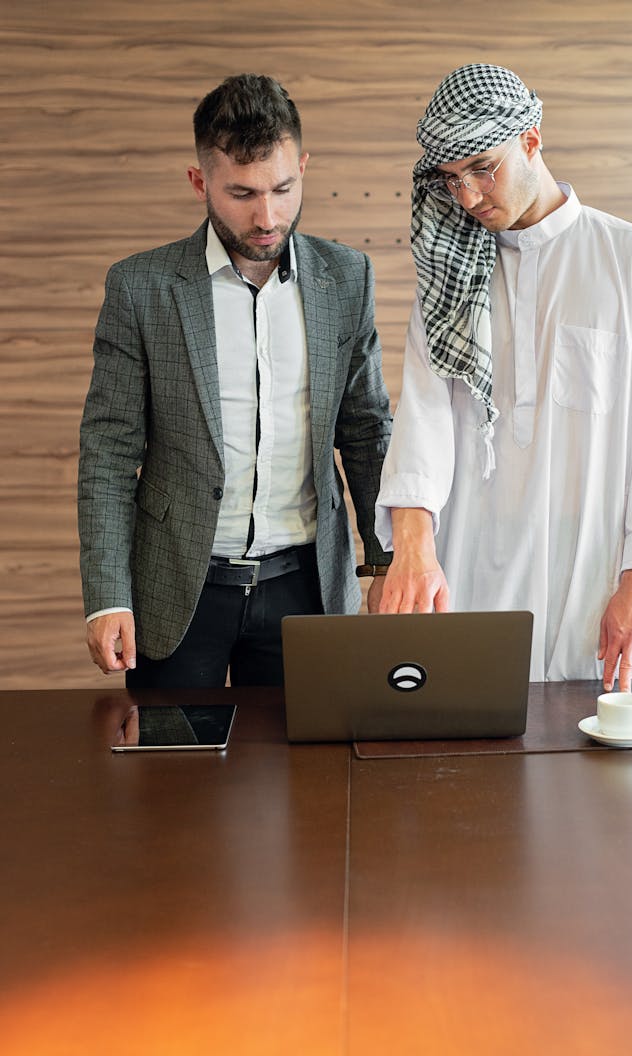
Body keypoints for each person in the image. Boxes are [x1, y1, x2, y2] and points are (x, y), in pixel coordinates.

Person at [375, 63, 632, 691]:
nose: (468, 197)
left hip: (589, 583)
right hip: (468, 575)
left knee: (593, 776)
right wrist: (412, 550)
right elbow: (422, 418)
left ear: (532, 140)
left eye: (483, 168)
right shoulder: (450, 279)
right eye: (451, 179)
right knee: (464, 765)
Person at [78, 73, 392, 687]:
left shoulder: (347, 278)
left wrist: (384, 561)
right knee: (174, 782)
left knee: (306, 778)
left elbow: (365, 429)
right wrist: (107, 594)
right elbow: (108, 453)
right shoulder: (140, 288)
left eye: (282, 188)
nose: (267, 216)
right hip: (178, 591)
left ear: (303, 165)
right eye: (242, 193)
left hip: (307, 587)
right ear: (201, 182)